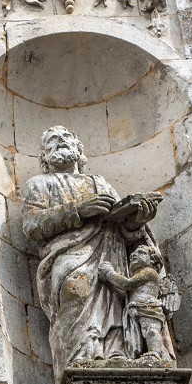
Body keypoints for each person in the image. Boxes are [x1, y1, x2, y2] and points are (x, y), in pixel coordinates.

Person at [21, 125, 161, 370]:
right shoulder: (40, 184)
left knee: (114, 299)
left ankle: (116, 353)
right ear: (44, 156)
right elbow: (33, 225)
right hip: (69, 255)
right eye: (53, 140)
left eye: (67, 138)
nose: (61, 142)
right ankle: (80, 358)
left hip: (109, 251)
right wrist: (77, 210)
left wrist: (135, 220)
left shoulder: (100, 183)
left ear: (79, 149)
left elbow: (121, 228)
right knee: (76, 290)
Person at [99, 243, 178, 364]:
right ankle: (161, 356)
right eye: (132, 255)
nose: (134, 255)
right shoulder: (140, 274)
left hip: (149, 308)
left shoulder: (149, 272)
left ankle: (155, 354)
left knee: (151, 331)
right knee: (141, 333)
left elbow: (127, 284)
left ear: (152, 260)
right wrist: (111, 283)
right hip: (136, 308)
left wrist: (109, 273)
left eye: (140, 252)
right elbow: (125, 293)